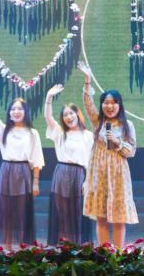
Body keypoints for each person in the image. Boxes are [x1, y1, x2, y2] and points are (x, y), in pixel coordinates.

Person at [79, 62, 138, 247]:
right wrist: (87, 80)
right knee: (101, 217)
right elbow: (87, 103)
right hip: (99, 174)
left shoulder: (128, 126)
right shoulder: (97, 122)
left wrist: (118, 142)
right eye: (106, 102)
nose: (109, 106)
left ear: (119, 105)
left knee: (119, 217)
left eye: (113, 103)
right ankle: (104, 253)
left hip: (119, 175)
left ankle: (118, 255)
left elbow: (131, 151)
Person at [0, 80, 44, 249]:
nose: (16, 112)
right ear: (9, 113)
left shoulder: (32, 133)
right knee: (6, 212)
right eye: (13, 109)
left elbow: (37, 158)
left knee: (22, 212)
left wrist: (36, 182)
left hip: (24, 171)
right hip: (6, 170)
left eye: (20, 109)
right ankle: (8, 248)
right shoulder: (3, 129)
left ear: (25, 112)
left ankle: (22, 248)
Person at [43, 83, 94, 244]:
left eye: (71, 113)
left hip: (80, 174)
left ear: (77, 114)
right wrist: (49, 96)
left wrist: (87, 181)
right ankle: (61, 245)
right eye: (65, 115)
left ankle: (77, 245)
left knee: (77, 210)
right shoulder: (59, 132)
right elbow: (48, 117)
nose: (69, 117)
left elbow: (91, 161)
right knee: (62, 210)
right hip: (62, 172)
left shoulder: (88, 135)